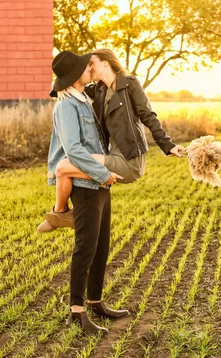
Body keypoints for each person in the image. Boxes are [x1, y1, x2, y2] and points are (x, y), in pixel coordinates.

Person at [41, 48, 185, 230]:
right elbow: (74, 88)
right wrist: (59, 90)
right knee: (66, 164)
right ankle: (59, 214)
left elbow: (148, 115)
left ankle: (58, 214)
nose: (89, 67)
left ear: (106, 62)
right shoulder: (99, 90)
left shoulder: (130, 84)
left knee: (64, 166)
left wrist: (168, 144)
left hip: (129, 158)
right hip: (111, 154)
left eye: (91, 63)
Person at [39, 50, 129, 334]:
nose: (88, 68)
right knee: (85, 249)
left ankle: (95, 302)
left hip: (99, 183)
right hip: (85, 184)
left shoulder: (85, 98)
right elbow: (73, 148)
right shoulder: (66, 106)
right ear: (73, 75)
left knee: (101, 246)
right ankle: (76, 312)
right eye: (84, 67)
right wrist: (103, 173)